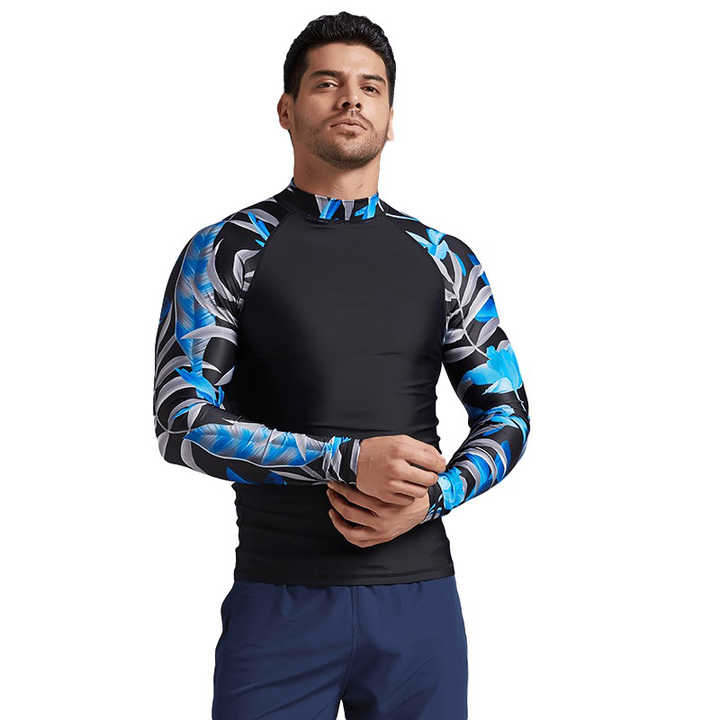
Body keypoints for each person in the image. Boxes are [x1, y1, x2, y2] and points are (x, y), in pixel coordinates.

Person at [152, 11, 530, 719]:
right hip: (279, 601)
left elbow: (507, 413)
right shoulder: (229, 250)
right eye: (327, 83)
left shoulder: (444, 259)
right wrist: (345, 461)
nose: (351, 98)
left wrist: (435, 497)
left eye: (371, 87)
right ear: (286, 109)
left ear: (390, 118)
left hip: (419, 601)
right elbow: (181, 422)